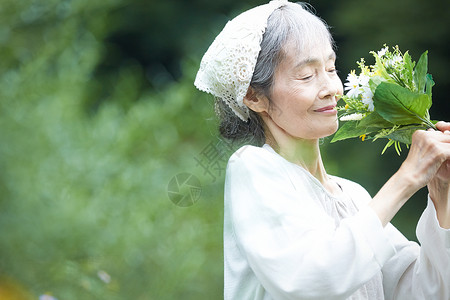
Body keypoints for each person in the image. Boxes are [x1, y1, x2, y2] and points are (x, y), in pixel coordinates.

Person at [194, 1, 450, 299]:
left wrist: (440, 192)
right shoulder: (252, 168)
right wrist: (406, 178)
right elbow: (314, 279)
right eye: (306, 76)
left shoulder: (353, 197)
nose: (331, 87)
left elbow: (424, 292)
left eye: (330, 68)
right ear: (254, 97)